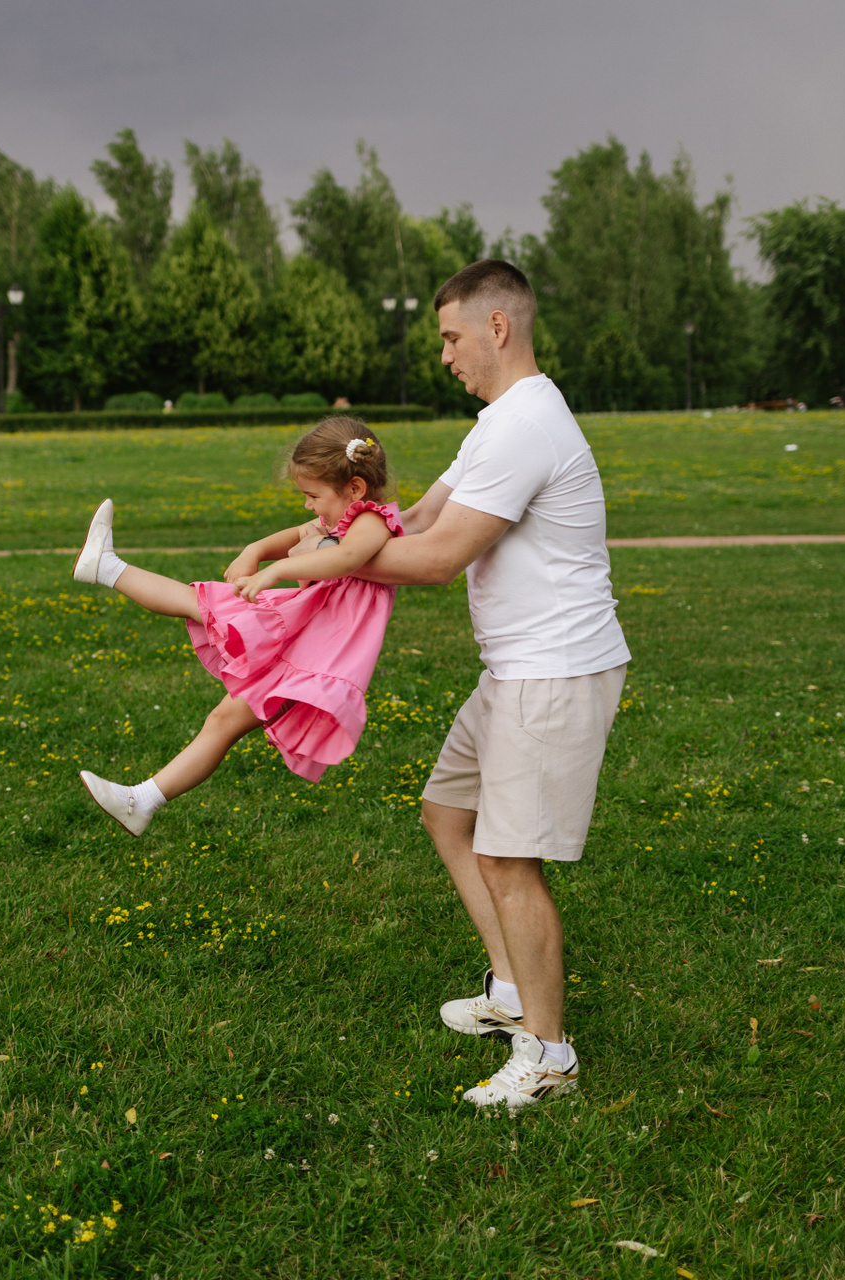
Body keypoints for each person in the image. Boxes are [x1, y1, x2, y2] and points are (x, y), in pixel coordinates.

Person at [352, 259, 630, 1112]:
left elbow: (437, 558)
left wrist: (322, 565)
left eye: (451, 338)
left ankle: (549, 1056)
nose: (445, 356)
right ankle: (510, 992)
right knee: (448, 812)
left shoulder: (527, 426)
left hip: (554, 670)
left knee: (509, 859)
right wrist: (320, 531)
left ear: (497, 328)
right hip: (515, 669)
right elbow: (415, 520)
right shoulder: (496, 423)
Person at [70, 417, 404, 833]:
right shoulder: (344, 515)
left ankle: (141, 801)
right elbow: (300, 532)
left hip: (315, 653)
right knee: (201, 613)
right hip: (301, 631)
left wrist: (276, 570)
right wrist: (255, 550)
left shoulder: (373, 522)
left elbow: (344, 558)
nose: (308, 505)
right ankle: (106, 566)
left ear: (354, 488)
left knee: (223, 719)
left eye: (312, 495)